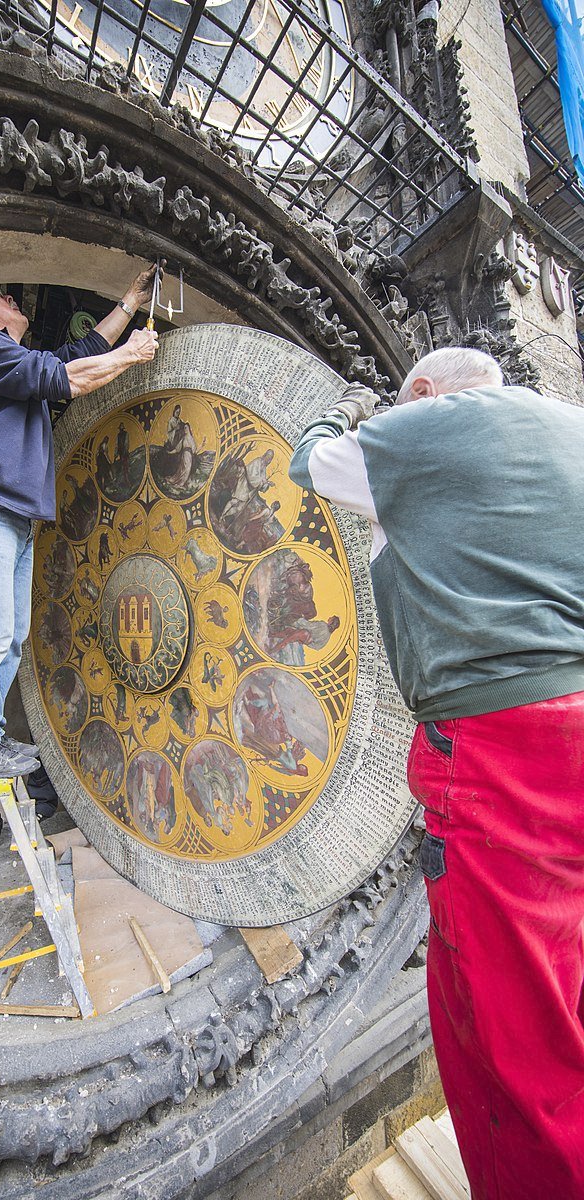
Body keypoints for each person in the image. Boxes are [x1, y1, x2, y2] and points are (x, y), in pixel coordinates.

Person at [289, 347, 584, 1199]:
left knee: (512, 1032)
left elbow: (312, 460)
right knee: (565, 980)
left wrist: (347, 412)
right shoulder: (570, 427)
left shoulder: (424, 428)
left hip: (504, 752)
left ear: (422, 394)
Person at [0, 267, 158, 780]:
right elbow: (65, 377)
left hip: (12, 513)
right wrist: (131, 354)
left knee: (10, 634)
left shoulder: (7, 362)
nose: (12, 296)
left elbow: (72, 358)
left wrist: (128, 303)